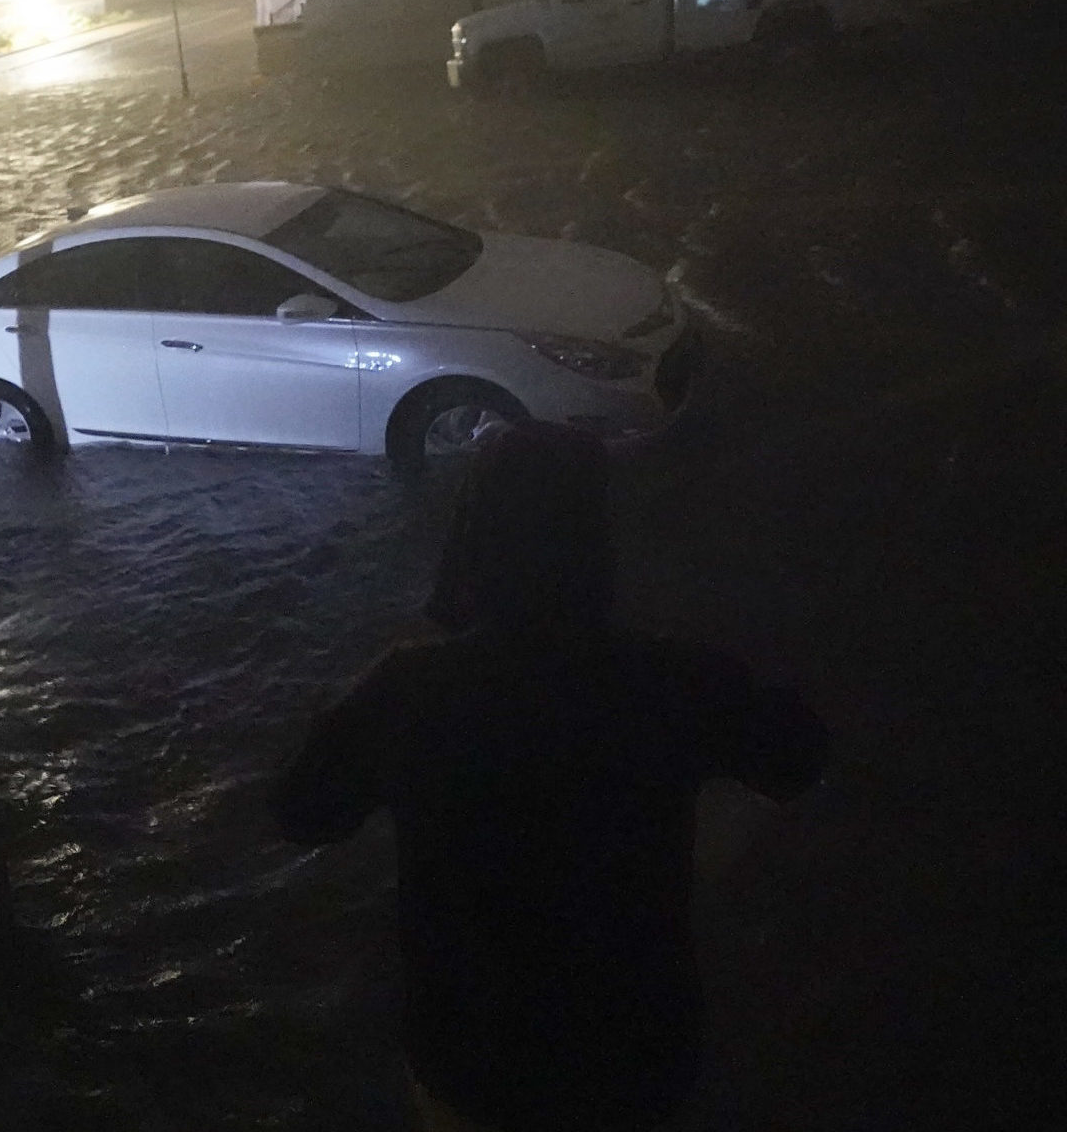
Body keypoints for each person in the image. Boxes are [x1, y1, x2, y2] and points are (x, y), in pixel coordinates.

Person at [272, 423, 828, 1132]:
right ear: (597, 540)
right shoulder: (675, 681)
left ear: (476, 538)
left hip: (474, 1059)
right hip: (636, 1053)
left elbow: (300, 812)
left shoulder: (410, 690)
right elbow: (799, 758)